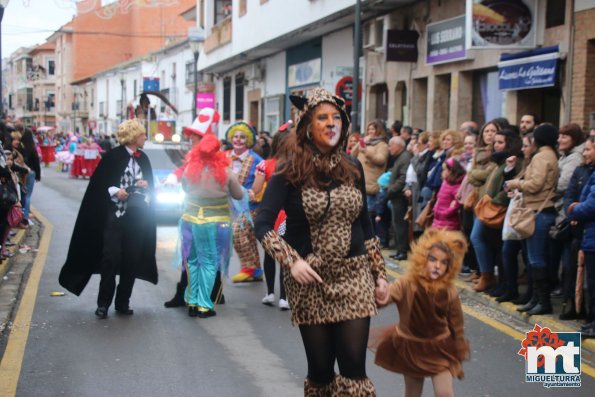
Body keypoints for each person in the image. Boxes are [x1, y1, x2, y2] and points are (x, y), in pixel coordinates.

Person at [255, 87, 388, 395]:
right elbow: (263, 225)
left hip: (354, 277)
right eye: (322, 118)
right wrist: (293, 261)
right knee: (321, 373)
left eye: (336, 117)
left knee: (355, 369)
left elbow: (366, 226)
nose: (331, 124)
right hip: (310, 280)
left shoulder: (352, 167)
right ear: (307, 126)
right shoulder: (290, 169)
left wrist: (379, 275)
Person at [59, 119, 157, 319]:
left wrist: (144, 186)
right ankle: (103, 304)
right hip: (115, 217)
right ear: (132, 137)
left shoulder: (144, 158)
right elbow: (101, 185)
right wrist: (116, 191)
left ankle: (123, 302)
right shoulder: (113, 157)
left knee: (131, 259)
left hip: (137, 218)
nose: (145, 138)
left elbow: (151, 188)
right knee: (110, 259)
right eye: (142, 134)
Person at [374, 228, 470, 397]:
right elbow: (388, 295)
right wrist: (381, 296)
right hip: (412, 346)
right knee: (412, 393)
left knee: (445, 393)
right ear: (422, 259)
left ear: (450, 267)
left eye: (444, 262)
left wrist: (459, 349)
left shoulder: (449, 292)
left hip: (440, 347)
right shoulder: (406, 284)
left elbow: (457, 324)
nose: (437, 266)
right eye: (432, 259)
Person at [163, 108, 226, 308]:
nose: (190, 140)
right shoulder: (193, 159)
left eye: (195, 137)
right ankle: (187, 291)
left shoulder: (217, 161)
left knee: (208, 255)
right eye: (191, 136)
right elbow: (184, 172)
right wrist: (173, 177)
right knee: (189, 254)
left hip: (211, 216)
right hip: (192, 215)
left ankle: (213, 292)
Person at [179, 133, 243, 317]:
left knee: (192, 261)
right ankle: (204, 305)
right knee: (209, 262)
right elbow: (238, 195)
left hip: (189, 220)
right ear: (217, 151)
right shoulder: (226, 172)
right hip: (215, 223)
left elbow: (184, 188)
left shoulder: (190, 168)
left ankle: (192, 301)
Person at [505, 123, 560, 316]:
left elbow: (536, 184)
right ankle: (536, 299)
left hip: (538, 211)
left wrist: (515, 183)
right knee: (534, 257)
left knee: (536, 258)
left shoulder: (541, 157)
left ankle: (542, 301)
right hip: (540, 210)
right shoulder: (549, 155)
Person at [252, 123, 291, 310]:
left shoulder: (264, 165)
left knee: (270, 252)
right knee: (285, 254)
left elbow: (256, 190)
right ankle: (284, 297)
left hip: (271, 215)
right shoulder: (298, 165)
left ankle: (270, 293)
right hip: (290, 215)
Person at [226, 121, 265, 283]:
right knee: (247, 237)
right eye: (236, 136)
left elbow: (259, 185)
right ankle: (256, 270)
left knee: (238, 232)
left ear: (248, 139)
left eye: (242, 137)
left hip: (250, 206)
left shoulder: (257, 160)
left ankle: (248, 268)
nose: (239, 140)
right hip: (228, 205)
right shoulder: (224, 157)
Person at [387, 136, 412, 260]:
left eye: (391, 145)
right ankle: (399, 250)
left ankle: (402, 251)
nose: (389, 148)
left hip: (399, 197)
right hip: (395, 196)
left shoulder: (405, 157)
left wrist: (390, 190)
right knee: (396, 224)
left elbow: (403, 178)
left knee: (400, 224)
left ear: (399, 146)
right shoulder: (400, 158)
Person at [432, 158, 466, 231]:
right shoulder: (445, 182)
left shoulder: (456, 186)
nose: (443, 171)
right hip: (437, 220)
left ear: (451, 171)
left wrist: (446, 213)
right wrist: (435, 209)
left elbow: (456, 204)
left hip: (448, 223)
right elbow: (439, 198)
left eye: (445, 169)